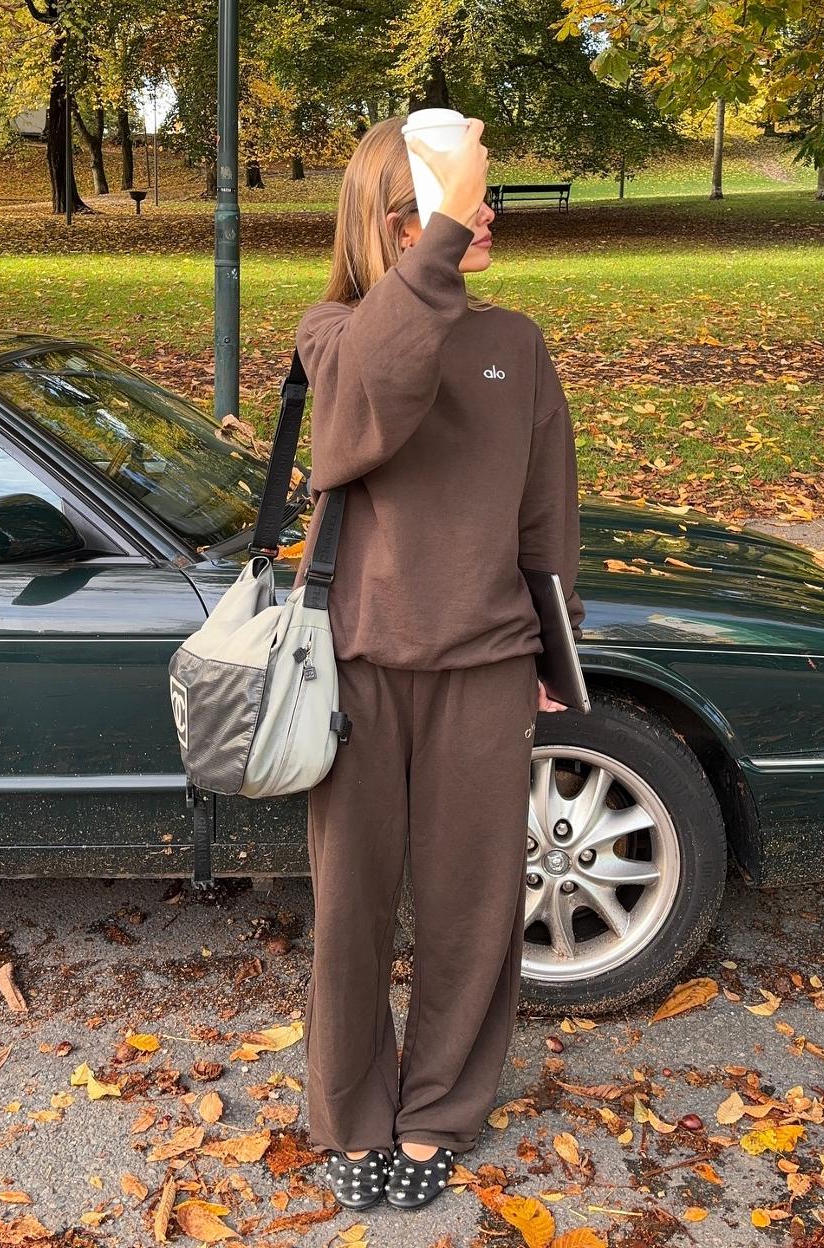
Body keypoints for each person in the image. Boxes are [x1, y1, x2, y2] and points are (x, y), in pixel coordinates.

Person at [292, 113, 584, 1212]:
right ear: (391, 224)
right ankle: (356, 1111)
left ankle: (440, 1111)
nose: (483, 216)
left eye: (481, 199)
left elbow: (546, 512)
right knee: (352, 907)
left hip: (487, 662)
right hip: (358, 665)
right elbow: (370, 407)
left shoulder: (517, 342)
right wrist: (439, 244)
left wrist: (557, 652)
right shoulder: (334, 334)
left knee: (472, 908)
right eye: (460, 200)